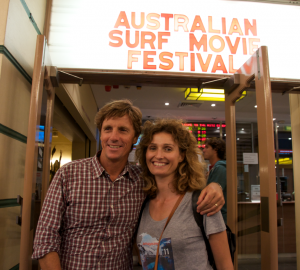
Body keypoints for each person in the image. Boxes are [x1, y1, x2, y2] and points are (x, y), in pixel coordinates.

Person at [32, 100, 225, 270]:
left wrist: (214, 187)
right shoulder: (69, 174)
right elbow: (45, 240)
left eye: (123, 130)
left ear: (135, 138)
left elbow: (175, 184)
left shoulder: (143, 181)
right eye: (108, 129)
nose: (114, 137)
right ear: (101, 134)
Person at [135, 119, 233, 270]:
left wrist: (216, 185)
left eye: (168, 149)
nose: (159, 155)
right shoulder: (141, 201)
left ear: (181, 156)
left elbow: (224, 265)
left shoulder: (202, 202)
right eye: (152, 148)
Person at [203, 137, 227, 223]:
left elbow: (211, 197)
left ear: (215, 150)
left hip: (219, 216)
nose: (204, 150)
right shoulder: (214, 168)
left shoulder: (220, 169)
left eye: (207, 147)